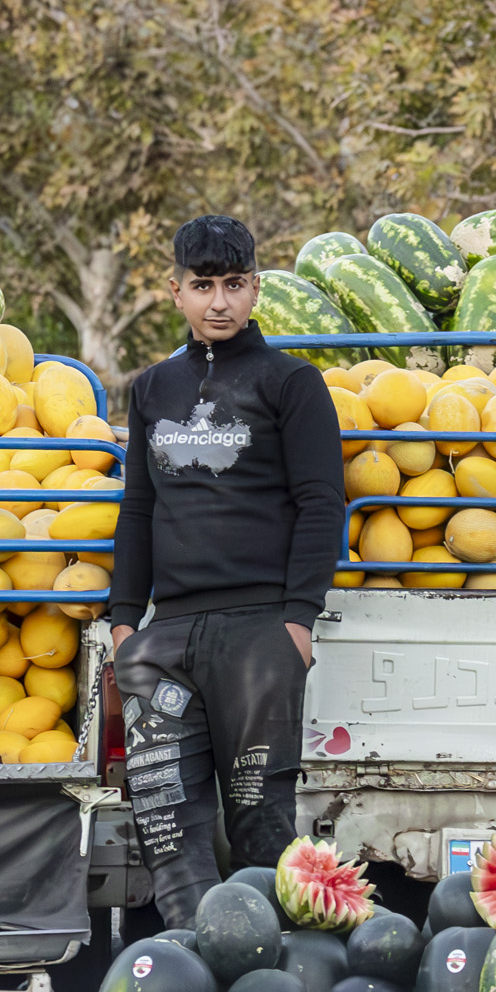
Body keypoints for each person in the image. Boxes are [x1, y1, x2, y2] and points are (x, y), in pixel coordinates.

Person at [107, 215, 346, 928]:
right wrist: (125, 624)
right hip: (166, 639)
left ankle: (273, 988)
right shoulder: (151, 389)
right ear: (175, 291)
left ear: (256, 290)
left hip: (259, 633)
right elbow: (138, 507)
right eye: (203, 286)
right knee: (166, 825)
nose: (219, 302)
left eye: (234, 285)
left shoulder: (291, 382)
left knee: (260, 827)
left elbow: (320, 501)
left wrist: (297, 621)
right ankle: (195, 971)